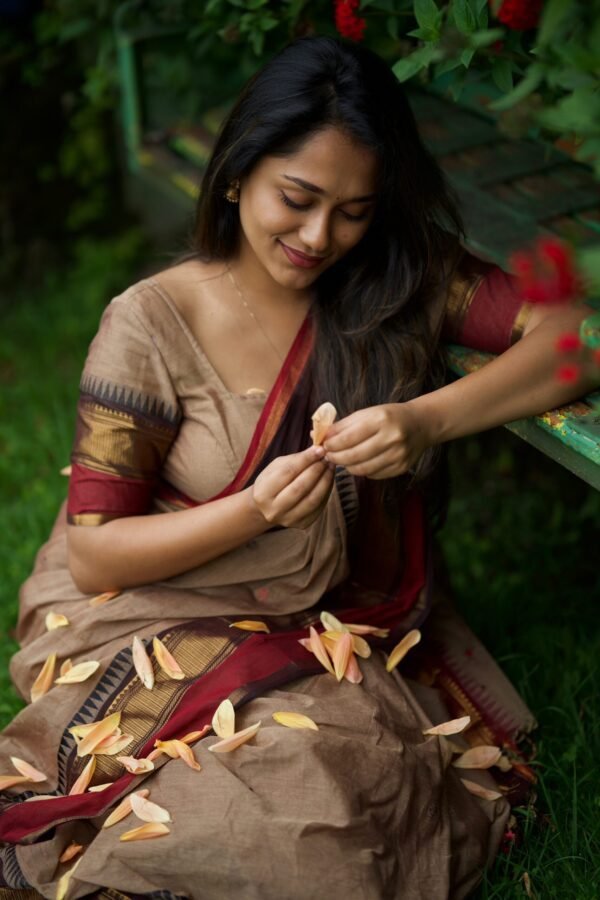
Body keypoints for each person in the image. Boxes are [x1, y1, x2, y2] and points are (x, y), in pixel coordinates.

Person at [0, 35, 595, 900]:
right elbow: (95, 555)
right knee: (251, 774)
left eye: (353, 209)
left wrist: (426, 420)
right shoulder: (151, 324)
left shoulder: (395, 274)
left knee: (324, 774)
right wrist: (252, 513)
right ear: (239, 173)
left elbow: (574, 335)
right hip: (149, 607)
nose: (321, 237)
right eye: (298, 198)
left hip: (324, 619)